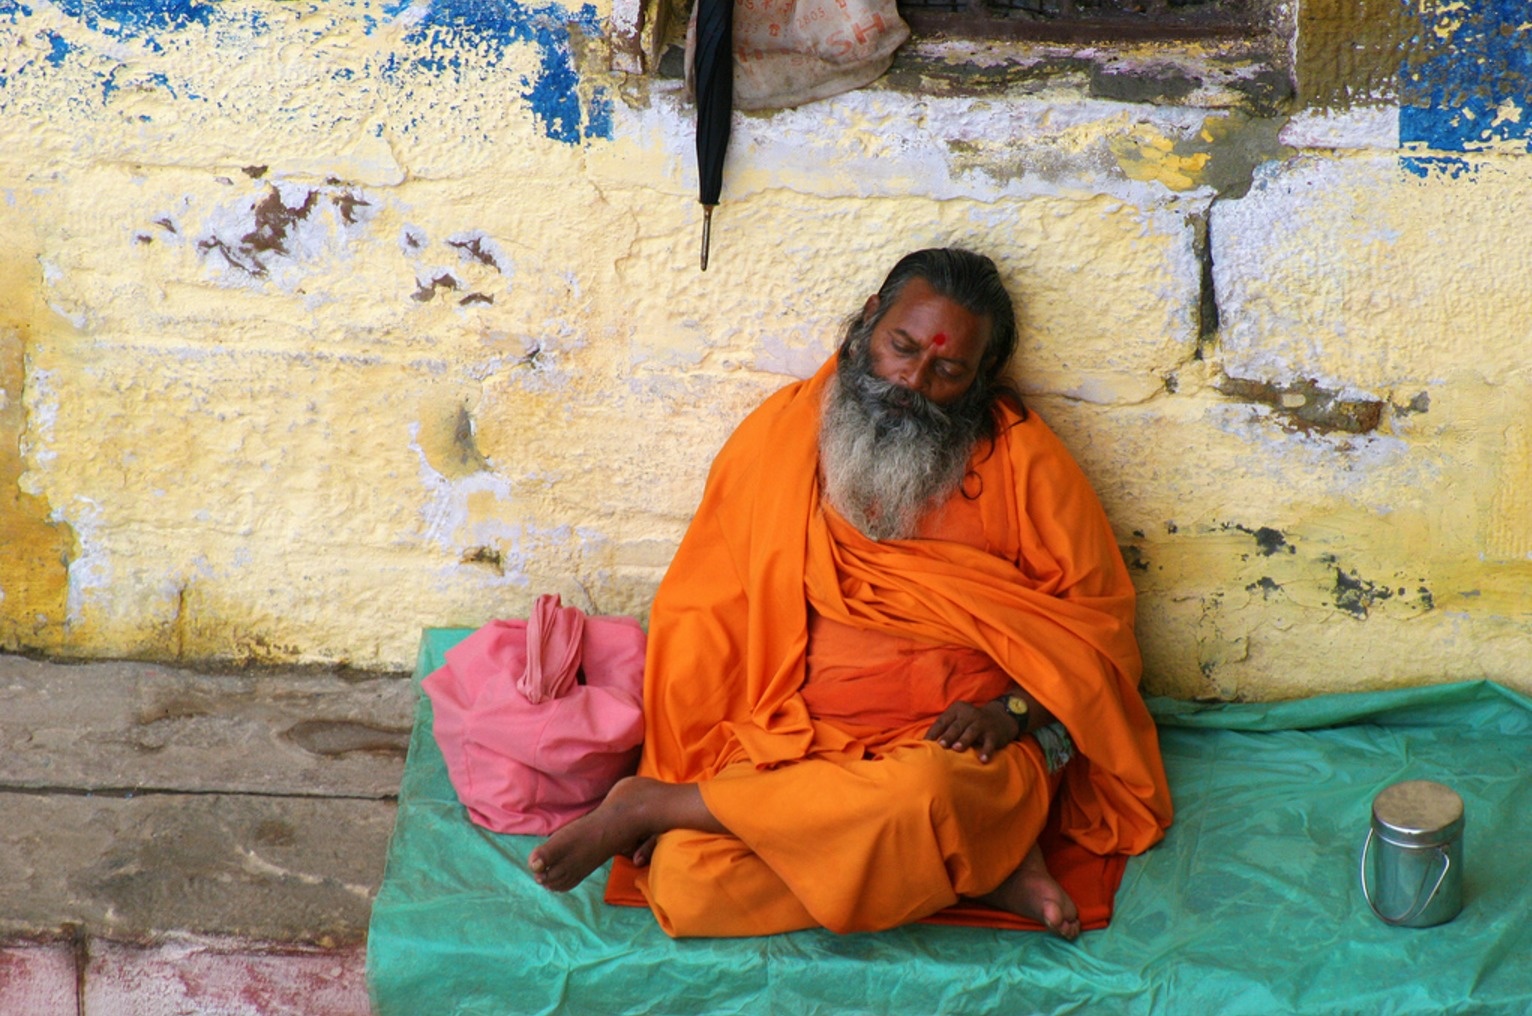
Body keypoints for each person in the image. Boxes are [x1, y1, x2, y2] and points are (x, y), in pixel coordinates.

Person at [529, 248, 1173, 939]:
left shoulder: (1025, 461)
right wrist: (685, 755)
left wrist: (1013, 711)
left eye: (948, 370)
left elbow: (1097, 641)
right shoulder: (784, 433)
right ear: (871, 319)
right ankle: (979, 866)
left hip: (954, 753)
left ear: (981, 377)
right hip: (797, 746)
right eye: (901, 347)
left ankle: (667, 806)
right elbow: (706, 617)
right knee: (689, 884)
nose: (913, 380)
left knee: (919, 798)